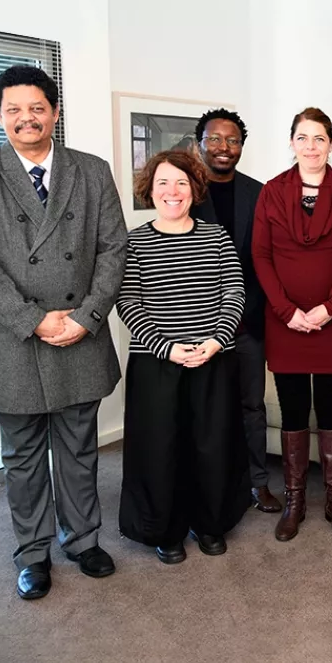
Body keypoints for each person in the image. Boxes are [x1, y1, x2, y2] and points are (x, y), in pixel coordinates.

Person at [0, 66, 126, 600]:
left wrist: (86, 316)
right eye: (13, 109)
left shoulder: (91, 171)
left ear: (53, 112)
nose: (26, 118)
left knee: (79, 448)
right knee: (22, 456)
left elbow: (113, 250)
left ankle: (83, 539)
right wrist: (33, 318)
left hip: (80, 332)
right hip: (13, 339)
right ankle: (32, 553)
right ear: (1, 114)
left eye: (36, 108)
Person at [116, 150, 250, 564]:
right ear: (149, 191)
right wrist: (168, 348)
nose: (172, 192)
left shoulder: (216, 236)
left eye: (180, 183)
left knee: (212, 447)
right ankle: (166, 529)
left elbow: (234, 291)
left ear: (194, 189)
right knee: (161, 450)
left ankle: (210, 524)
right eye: (163, 184)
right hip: (157, 364)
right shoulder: (134, 241)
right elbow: (128, 302)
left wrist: (215, 341)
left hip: (213, 358)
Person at [252, 107, 332, 541]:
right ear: (291, 142)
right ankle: (295, 500)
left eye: (319, 138)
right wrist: (286, 311)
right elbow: (261, 255)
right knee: (294, 410)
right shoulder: (272, 193)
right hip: (285, 322)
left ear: (331, 144)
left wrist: (331, 307)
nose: (311, 146)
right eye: (303, 137)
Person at [192, 108, 281, 515]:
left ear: (242, 146)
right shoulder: (185, 192)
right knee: (206, 409)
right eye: (215, 139)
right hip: (196, 324)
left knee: (252, 406)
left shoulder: (260, 193)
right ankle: (209, 483)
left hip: (248, 322)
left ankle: (257, 482)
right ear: (200, 144)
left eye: (232, 140)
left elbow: (270, 258)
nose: (224, 148)